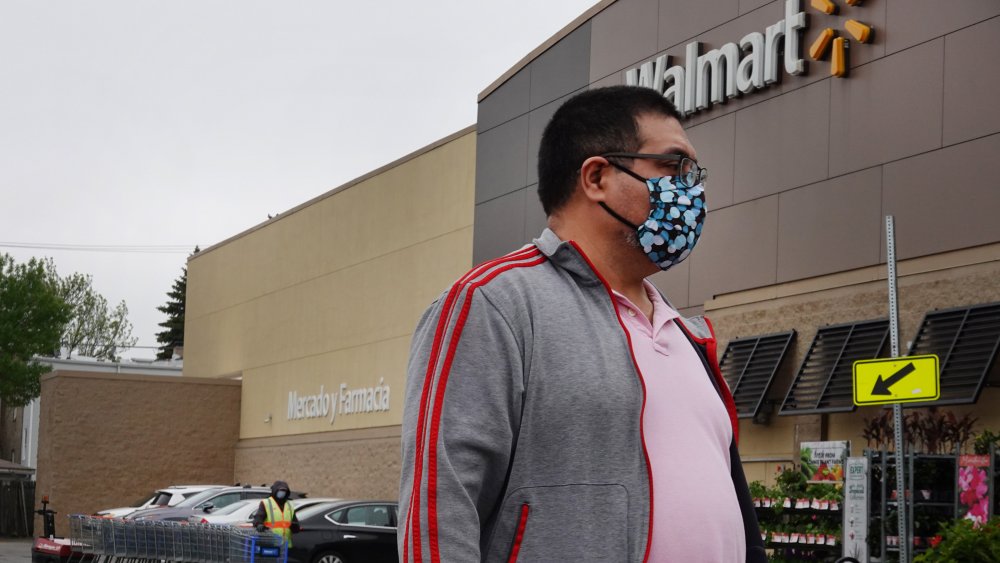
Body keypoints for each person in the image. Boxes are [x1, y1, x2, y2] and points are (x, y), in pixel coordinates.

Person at [397, 85, 765, 562]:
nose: (692, 191)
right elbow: (438, 510)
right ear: (596, 177)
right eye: (674, 167)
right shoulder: (492, 304)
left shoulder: (689, 337)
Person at [252, 480, 300, 546]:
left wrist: (295, 526)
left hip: (286, 546)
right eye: (281, 490)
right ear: (275, 490)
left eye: (284, 491)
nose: (282, 492)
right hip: (271, 543)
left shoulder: (290, 505)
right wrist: (258, 524)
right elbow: (259, 516)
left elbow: (295, 524)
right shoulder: (266, 503)